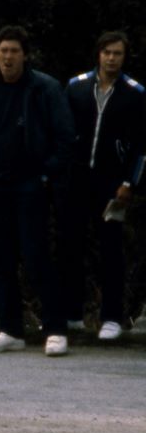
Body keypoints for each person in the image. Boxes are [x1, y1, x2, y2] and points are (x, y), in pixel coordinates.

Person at [0, 26, 75, 355]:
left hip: (31, 184)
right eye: (2, 51)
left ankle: (56, 329)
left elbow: (65, 137)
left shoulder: (44, 88)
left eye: (14, 51)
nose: (8, 57)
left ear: (25, 55)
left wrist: (46, 175)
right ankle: (10, 329)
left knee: (36, 255)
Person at [59, 31, 144, 342]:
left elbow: (141, 146)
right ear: (98, 54)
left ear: (124, 57)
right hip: (78, 178)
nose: (111, 58)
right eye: (107, 52)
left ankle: (111, 318)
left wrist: (129, 182)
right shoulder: (77, 87)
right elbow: (64, 133)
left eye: (117, 53)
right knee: (71, 247)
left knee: (110, 250)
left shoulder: (135, 93)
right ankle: (72, 315)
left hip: (112, 183)